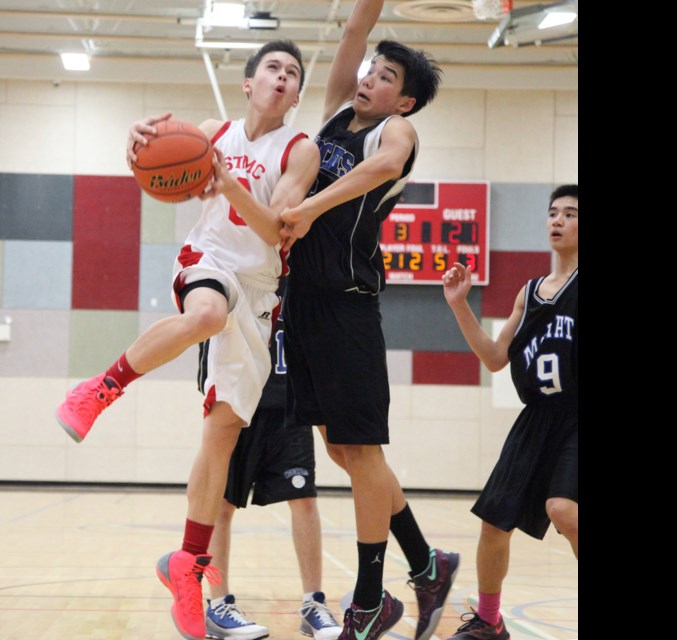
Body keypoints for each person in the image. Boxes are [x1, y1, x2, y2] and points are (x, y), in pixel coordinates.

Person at [55, 39, 321, 640]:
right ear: (249, 84)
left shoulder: (300, 151)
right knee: (204, 313)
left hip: (259, 291)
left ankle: (187, 562)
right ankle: (100, 387)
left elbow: (277, 228)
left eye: (293, 74)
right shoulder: (210, 132)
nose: (282, 77)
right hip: (208, 262)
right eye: (272, 69)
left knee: (222, 432)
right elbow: (152, 145)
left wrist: (227, 186)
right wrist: (137, 138)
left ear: (297, 96)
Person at [278, 2, 459, 639]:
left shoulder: (394, 135)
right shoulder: (333, 113)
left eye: (387, 78)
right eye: (372, 70)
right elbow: (353, 29)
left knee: (364, 449)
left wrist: (307, 207)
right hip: (301, 302)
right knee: (341, 448)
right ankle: (427, 562)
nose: (370, 79)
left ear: (404, 102)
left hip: (347, 304)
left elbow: (381, 169)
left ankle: (369, 597)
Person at [440, 184, 578, 640]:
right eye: (553, 213)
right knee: (495, 522)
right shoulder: (530, 291)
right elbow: (496, 358)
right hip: (536, 415)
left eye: (571, 214)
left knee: (564, 510)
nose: (557, 220)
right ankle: (489, 620)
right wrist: (460, 306)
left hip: (577, 416)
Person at [196, 279, 342, 640]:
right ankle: (218, 604)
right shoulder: (225, 272)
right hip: (236, 404)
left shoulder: (295, 274)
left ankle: (313, 604)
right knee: (221, 505)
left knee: (304, 499)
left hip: (289, 402)